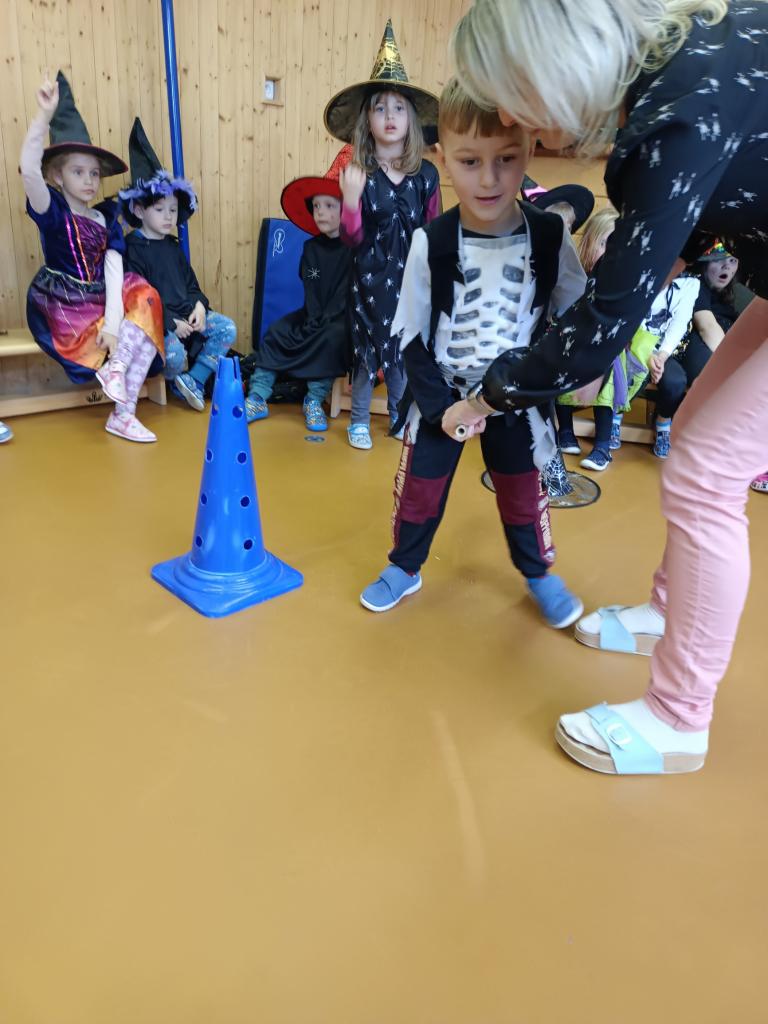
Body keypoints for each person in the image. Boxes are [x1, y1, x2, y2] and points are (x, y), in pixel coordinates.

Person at [450, 0, 768, 773]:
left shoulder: (674, 116)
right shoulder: (691, 61)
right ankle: (671, 611)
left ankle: (679, 718)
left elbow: (598, 335)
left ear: (551, 61)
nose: (510, 120)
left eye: (508, 94)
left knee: (706, 474)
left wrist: (489, 394)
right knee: (692, 432)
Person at [359, 79, 586, 627]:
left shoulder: (549, 236)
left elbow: (576, 313)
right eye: (469, 161)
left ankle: (537, 572)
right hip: (443, 392)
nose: (488, 179)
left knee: (523, 493)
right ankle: (405, 565)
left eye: (505, 159)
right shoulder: (430, 242)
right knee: (420, 489)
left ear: (529, 151)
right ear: (443, 160)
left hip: (517, 397)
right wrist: (442, 408)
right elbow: (410, 333)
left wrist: (569, 373)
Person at [22, 73, 164, 443]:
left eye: (95, 174)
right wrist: (43, 116)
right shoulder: (52, 210)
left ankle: (122, 407)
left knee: (146, 295)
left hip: (102, 296)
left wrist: (114, 327)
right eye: (78, 171)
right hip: (66, 303)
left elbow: (114, 272)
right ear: (57, 175)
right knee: (138, 316)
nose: (89, 181)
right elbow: (29, 171)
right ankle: (121, 398)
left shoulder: (106, 217)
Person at [324, 20, 441, 449]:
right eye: (379, 108)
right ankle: (358, 419)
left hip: (410, 281)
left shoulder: (426, 175)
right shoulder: (359, 172)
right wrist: (351, 200)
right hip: (368, 280)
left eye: (398, 108)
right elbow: (350, 238)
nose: (390, 117)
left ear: (411, 119)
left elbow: (432, 231)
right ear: (366, 120)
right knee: (366, 351)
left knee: (403, 350)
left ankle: (398, 415)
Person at [120, 119, 236, 412]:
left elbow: (191, 285)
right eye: (160, 209)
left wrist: (199, 306)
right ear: (139, 210)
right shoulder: (133, 249)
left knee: (226, 328)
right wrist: (172, 322)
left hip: (186, 314)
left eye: (172, 210)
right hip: (159, 322)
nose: (168, 216)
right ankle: (176, 381)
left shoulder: (173, 247)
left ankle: (194, 380)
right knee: (172, 355)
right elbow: (137, 299)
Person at [245, 148, 354, 431]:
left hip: (338, 319)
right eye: (316, 206)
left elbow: (345, 293)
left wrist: (325, 319)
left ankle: (314, 400)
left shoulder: (352, 248)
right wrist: (313, 318)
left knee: (333, 337)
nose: (321, 212)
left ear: (344, 210)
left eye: (329, 205)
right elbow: (311, 289)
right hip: (312, 313)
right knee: (278, 330)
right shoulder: (310, 248)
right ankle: (258, 396)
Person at [652, 241, 740, 453]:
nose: (726, 266)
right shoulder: (695, 284)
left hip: (718, 348)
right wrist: (735, 366)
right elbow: (706, 326)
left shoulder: (728, 298)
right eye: (719, 260)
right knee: (709, 376)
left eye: (732, 261)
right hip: (687, 349)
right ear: (704, 262)